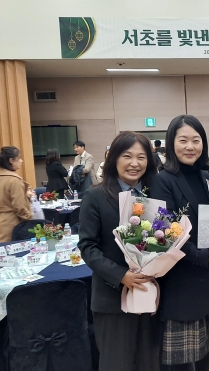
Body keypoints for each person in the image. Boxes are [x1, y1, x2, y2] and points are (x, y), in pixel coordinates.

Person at [151, 116, 209, 371]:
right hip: (183, 278)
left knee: (206, 349)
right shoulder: (162, 181)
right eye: (183, 140)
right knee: (181, 359)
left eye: (196, 140)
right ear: (171, 143)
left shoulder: (206, 176)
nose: (190, 146)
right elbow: (163, 236)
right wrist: (201, 254)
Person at [77, 132, 160, 371]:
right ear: (113, 158)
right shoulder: (96, 195)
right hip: (112, 298)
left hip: (149, 294)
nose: (135, 163)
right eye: (127, 156)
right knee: (117, 363)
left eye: (141, 157)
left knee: (150, 362)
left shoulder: (155, 196)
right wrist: (121, 276)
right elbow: (88, 247)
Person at [0, 146, 33, 243]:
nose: (21, 161)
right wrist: (30, 220)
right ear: (11, 160)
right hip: (12, 222)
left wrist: (26, 196)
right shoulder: (14, 180)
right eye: (19, 158)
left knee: (1, 250)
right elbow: (19, 207)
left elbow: (4, 199)